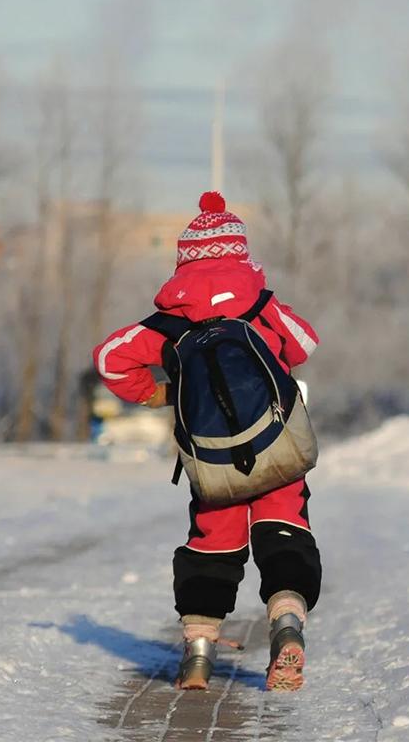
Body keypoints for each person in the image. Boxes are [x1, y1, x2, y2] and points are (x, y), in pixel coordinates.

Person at [92, 191, 322, 691]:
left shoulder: (170, 322)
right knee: (284, 532)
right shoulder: (261, 305)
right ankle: (286, 627)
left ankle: (197, 654)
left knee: (212, 545)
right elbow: (304, 344)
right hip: (278, 449)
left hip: (213, 463)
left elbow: (109, 358)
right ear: (241, 255)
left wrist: (156, 393)